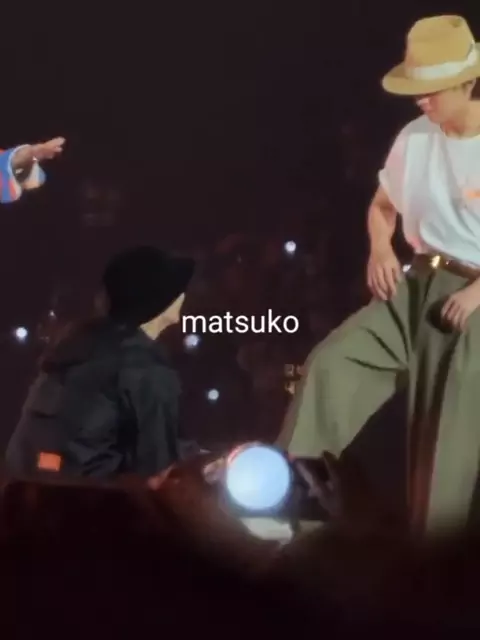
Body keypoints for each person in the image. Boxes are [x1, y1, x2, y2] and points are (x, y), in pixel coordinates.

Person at [278, 15, 480, 536]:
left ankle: (432, 561)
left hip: (472, 299)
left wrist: (477, 294)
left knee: (444, 441)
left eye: (432, 91)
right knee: (331, 363)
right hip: (414, 285)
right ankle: (294, 488)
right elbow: (382, 206)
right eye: (417, 92)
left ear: (466, 83)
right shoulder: (415, 137)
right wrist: (379, 249)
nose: (422, 101)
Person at [5, 245, 195, 479]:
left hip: (30, 488)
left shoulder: (76, 348)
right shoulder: (145, 366)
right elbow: (159, 465)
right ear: (160, 303)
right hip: (93, 494)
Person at [0, 137, 64, 201]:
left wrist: (33, 156)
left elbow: (14, 162)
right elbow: (14, 161)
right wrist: (33, 155)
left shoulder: (9, 193)